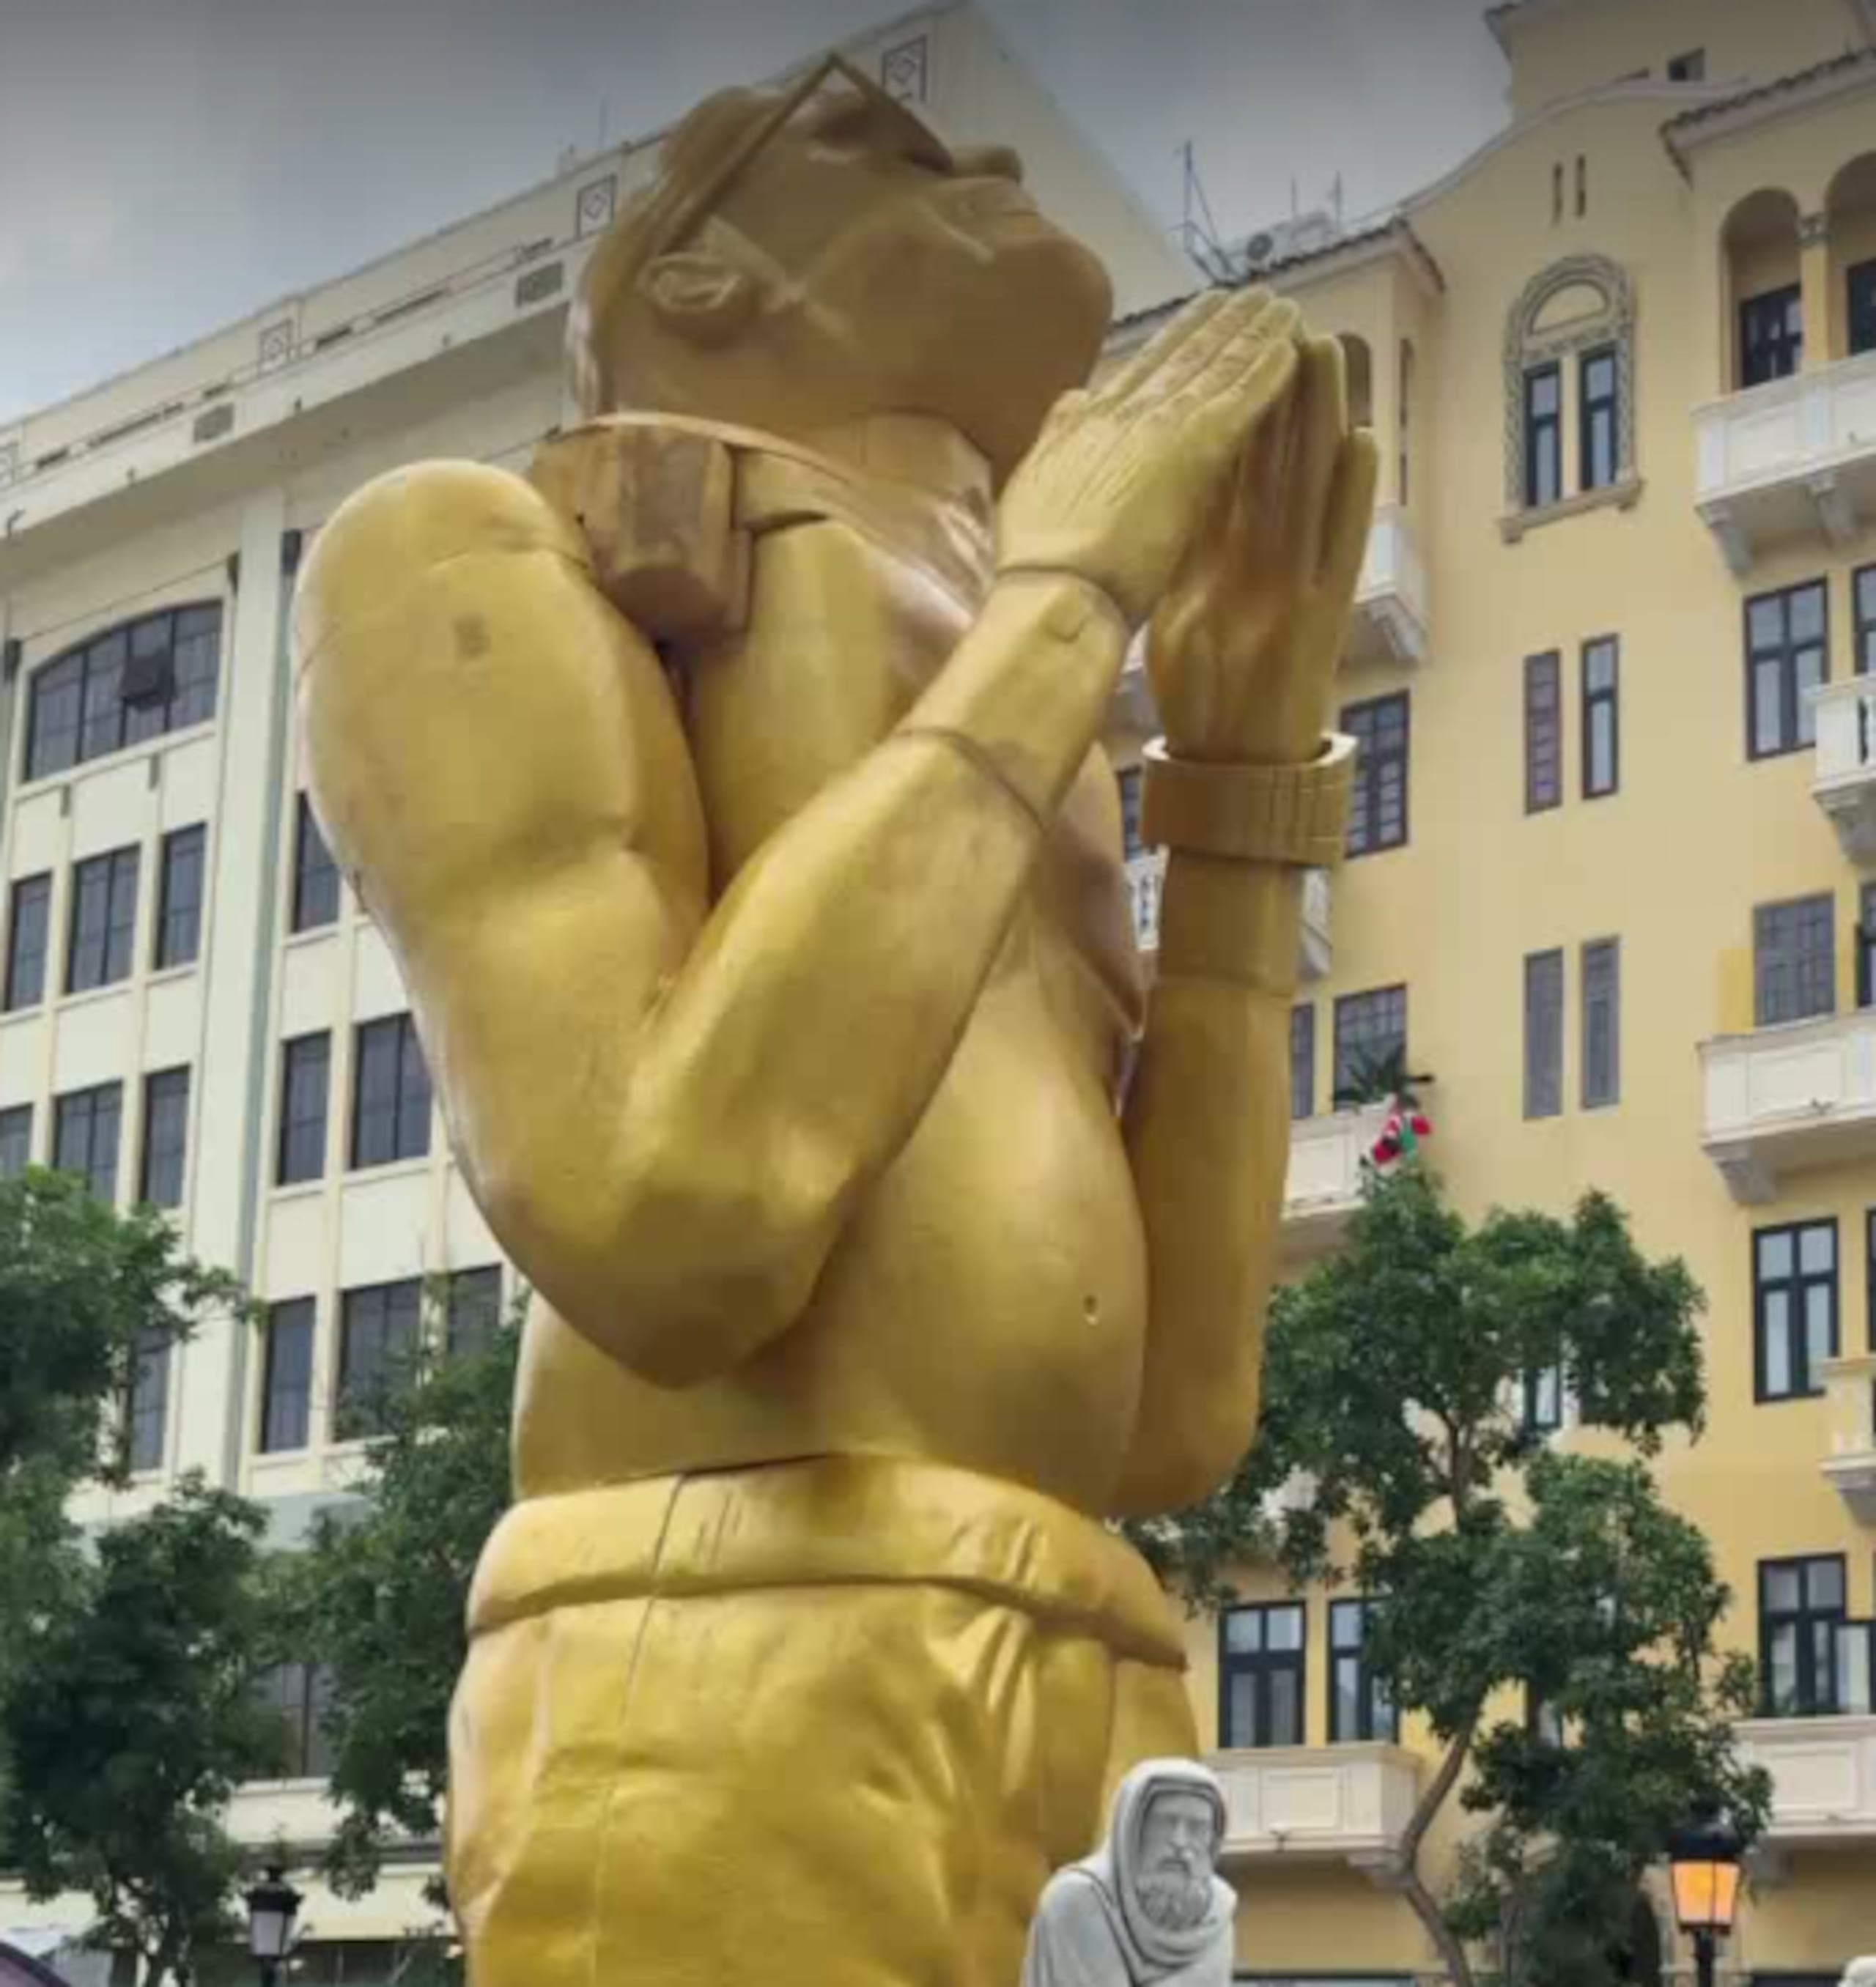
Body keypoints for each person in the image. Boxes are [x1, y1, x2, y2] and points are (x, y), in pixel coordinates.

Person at [293, 51, 1373, 1987]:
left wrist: (1234, 782)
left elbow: (1176, 1414)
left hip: (1086, 1654)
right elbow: (665, 1214)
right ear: (700, 278)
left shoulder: (1038, 690)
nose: (997, 157)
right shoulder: (472, 551)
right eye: (888, 135)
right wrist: (1075, 598)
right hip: (732, 1650)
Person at [1022, 1760, 1236, 1987]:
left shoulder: (1216, 1913)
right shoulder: (1077, 1897)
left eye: (1197, 1827)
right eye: (1165, 1822)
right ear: (1132, 1828)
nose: (1180, 1842)